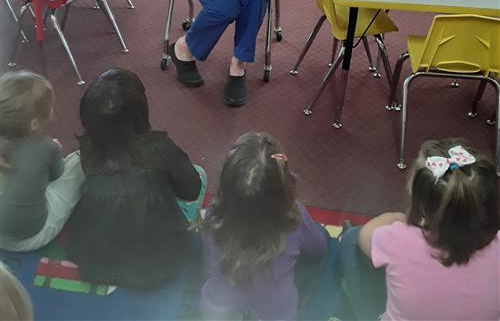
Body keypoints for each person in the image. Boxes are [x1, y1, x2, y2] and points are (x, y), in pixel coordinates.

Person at [67, 68, 206, 289]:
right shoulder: (160, 148)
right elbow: (191, 188)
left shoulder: (86, 147)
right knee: (200, 174)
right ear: (141, 110)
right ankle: (191, 224)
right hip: (155, 263)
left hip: (98, 255)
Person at [339, 139, 500, 321]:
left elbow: (364, 235)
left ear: (421, 205)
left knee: (351, 238)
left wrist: (400, 218)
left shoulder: (395, 238)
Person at [200, 132, 337, 321]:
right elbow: (319, 249)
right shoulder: (294, 218)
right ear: (282, 185)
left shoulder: (213, 214)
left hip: (218, 310)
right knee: (324, 238)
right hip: (275, 315)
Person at [0, 70, 84, 252]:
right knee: (78, 161)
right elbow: (57, 175)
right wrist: (51, 152)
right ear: (34, 124)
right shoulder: (44, 146)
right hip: (30, 238)